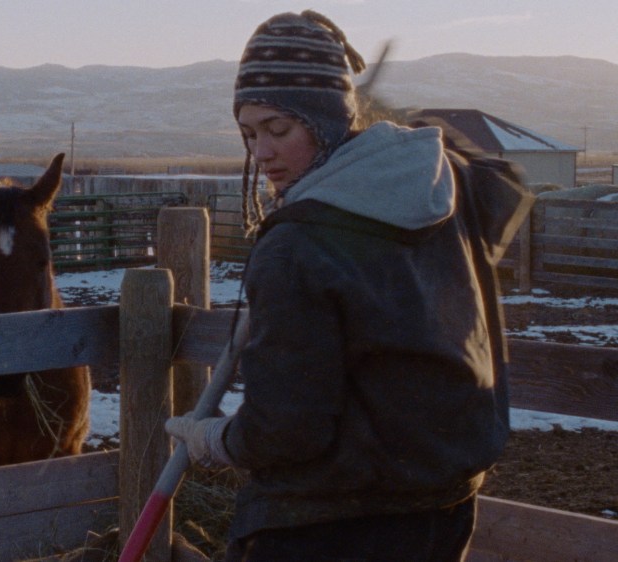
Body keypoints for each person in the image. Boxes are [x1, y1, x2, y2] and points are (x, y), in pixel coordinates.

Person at [164, 10, 534, 562]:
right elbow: (505, 185)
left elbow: (286, 431)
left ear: (329, 121)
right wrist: (390, 131)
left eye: (278, 129)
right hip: (440, 508)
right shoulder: (443, 187)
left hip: (325, 523)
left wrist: (215, 440)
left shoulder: (297, 247)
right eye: (249, 133)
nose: (260, 153)